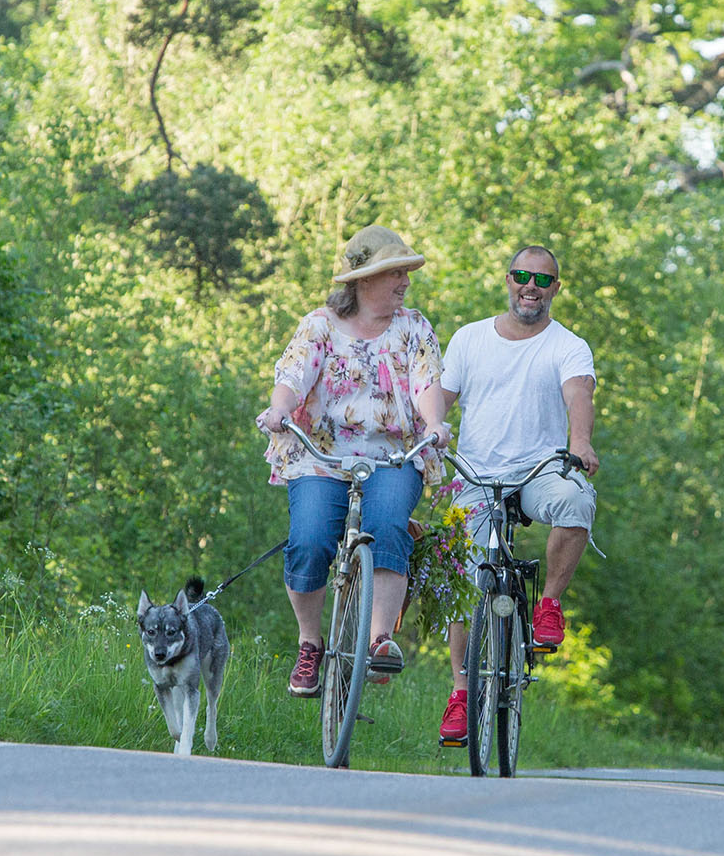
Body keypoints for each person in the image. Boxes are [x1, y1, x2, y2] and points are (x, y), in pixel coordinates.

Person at [256, 225, 451, 697]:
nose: (405, 282)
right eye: (395, 274)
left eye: (406, 273)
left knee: (387, 525)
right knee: (309, 541)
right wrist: (280, 409)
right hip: (322, 456)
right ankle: (310, 642)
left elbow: (427, 386)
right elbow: (293, 375)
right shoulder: (319, 326)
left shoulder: (413, 327)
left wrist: (434, 425)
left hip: (392, 457)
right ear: (364, 280)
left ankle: (378, 640)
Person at [436, 244, 599, 746]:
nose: (531, 286)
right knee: (463, 578)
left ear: (555, 289)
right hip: (476, 474)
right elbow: (440, 402)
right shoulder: (468, 338)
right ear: (507, 279)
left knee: (576, 500)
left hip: (538, 471)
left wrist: (580, 443)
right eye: (522, 276)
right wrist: (428, 434)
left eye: (542, 280)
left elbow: (579, 395)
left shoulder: (568, 345)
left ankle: (548, 604)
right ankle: (461, 694)